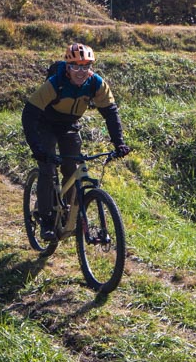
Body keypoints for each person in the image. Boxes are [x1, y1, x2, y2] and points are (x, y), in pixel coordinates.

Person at [22, 43, 130, 239]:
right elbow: (29, 114)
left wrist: (119, 142)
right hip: (45, 124)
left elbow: (111, 113)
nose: (81, 71)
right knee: (47, 168)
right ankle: (46, 219)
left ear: (91, 68)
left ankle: (65, 214)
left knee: (72, 170)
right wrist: (36, 147)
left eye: (86, 66)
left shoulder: (96, 83)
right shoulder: (56, 84)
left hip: (69, 126)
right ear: (68, 67)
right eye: (76, 66)